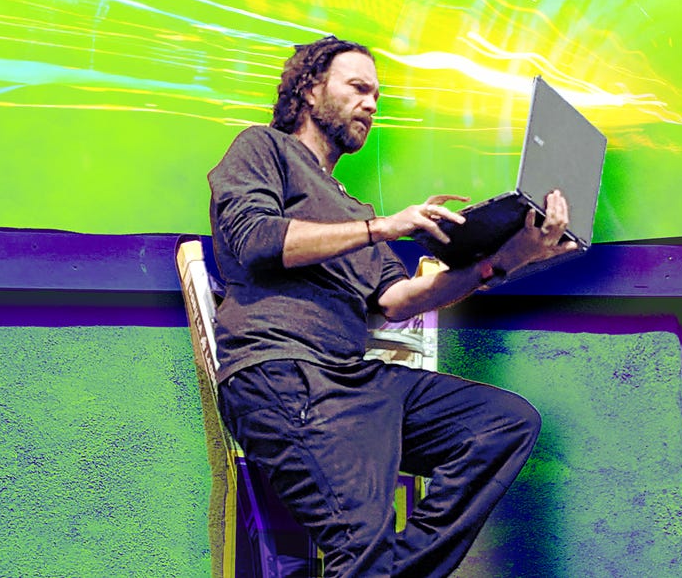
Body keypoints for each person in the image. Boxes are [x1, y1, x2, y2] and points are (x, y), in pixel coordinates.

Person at [207, 35, 576, 577]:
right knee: (362, 547)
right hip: (282, 372)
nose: (371, 104)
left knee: (504, 424)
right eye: (358, 88)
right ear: (310, 90)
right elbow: (254, 238)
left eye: (376, 95)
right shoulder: (263, 149)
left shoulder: (354, 209)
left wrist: (511, 256)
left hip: (355, 382)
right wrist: (383, 227)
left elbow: (397, 301)